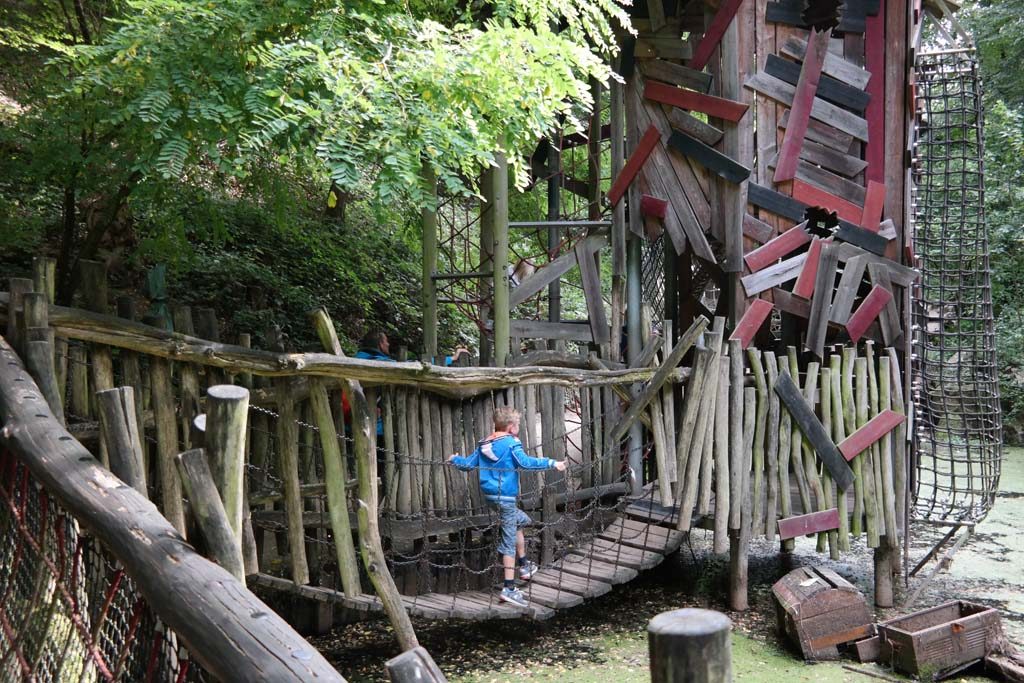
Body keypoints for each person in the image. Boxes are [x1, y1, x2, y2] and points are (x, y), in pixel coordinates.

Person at [447, 406, 567, 608]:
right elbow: (526, 463)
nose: (518, 427)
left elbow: (467, 465)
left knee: (521, 521)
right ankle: (509, 588)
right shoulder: (512, 444)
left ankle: (525, 565)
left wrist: (454, 459)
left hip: (492, 498)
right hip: (506, 498)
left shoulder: (485, 443)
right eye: (518, 424)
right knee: (509, 539)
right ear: (511, 428)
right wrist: (552, 463)